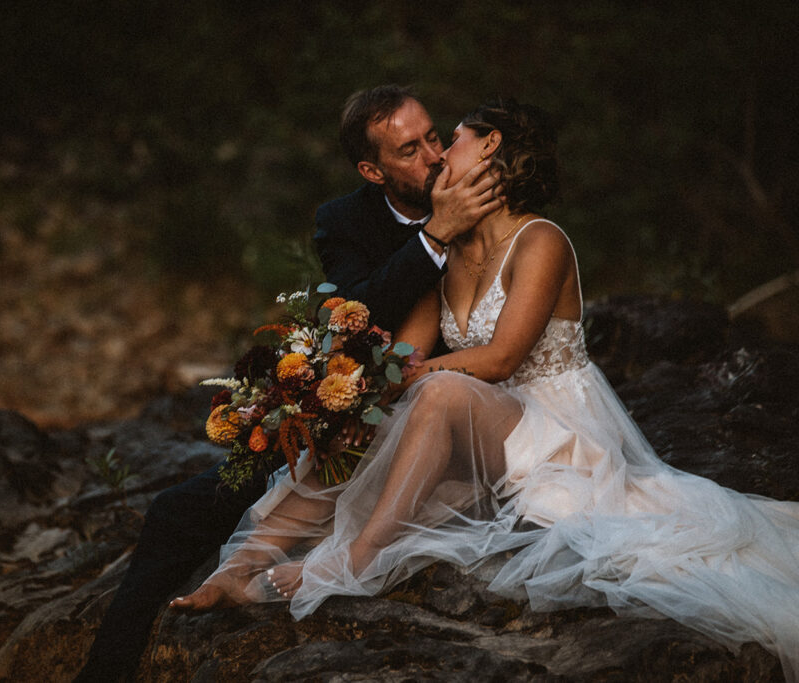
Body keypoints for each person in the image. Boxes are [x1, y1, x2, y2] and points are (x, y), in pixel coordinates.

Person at [171, 98, 799, 683]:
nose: (440, 155)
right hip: (489, 429)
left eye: (453, 139)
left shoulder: (542, 241)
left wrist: (408, 380)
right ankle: (245, 562)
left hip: (556, 431)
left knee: (433, 397)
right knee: (366, 417)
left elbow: (498, 360)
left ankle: (355, 559)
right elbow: (399, 358)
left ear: (492, 147)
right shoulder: (450, 250)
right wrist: (344, 393)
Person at [73, 85, 496, 682]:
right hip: (345, 411)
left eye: (434, 137)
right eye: (409, 149)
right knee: (177, 510)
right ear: (372, 169)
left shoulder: (484, 205)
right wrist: (432, 237)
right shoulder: (344, 220)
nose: (432, 156)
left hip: (437, 417)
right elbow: (358, 312)